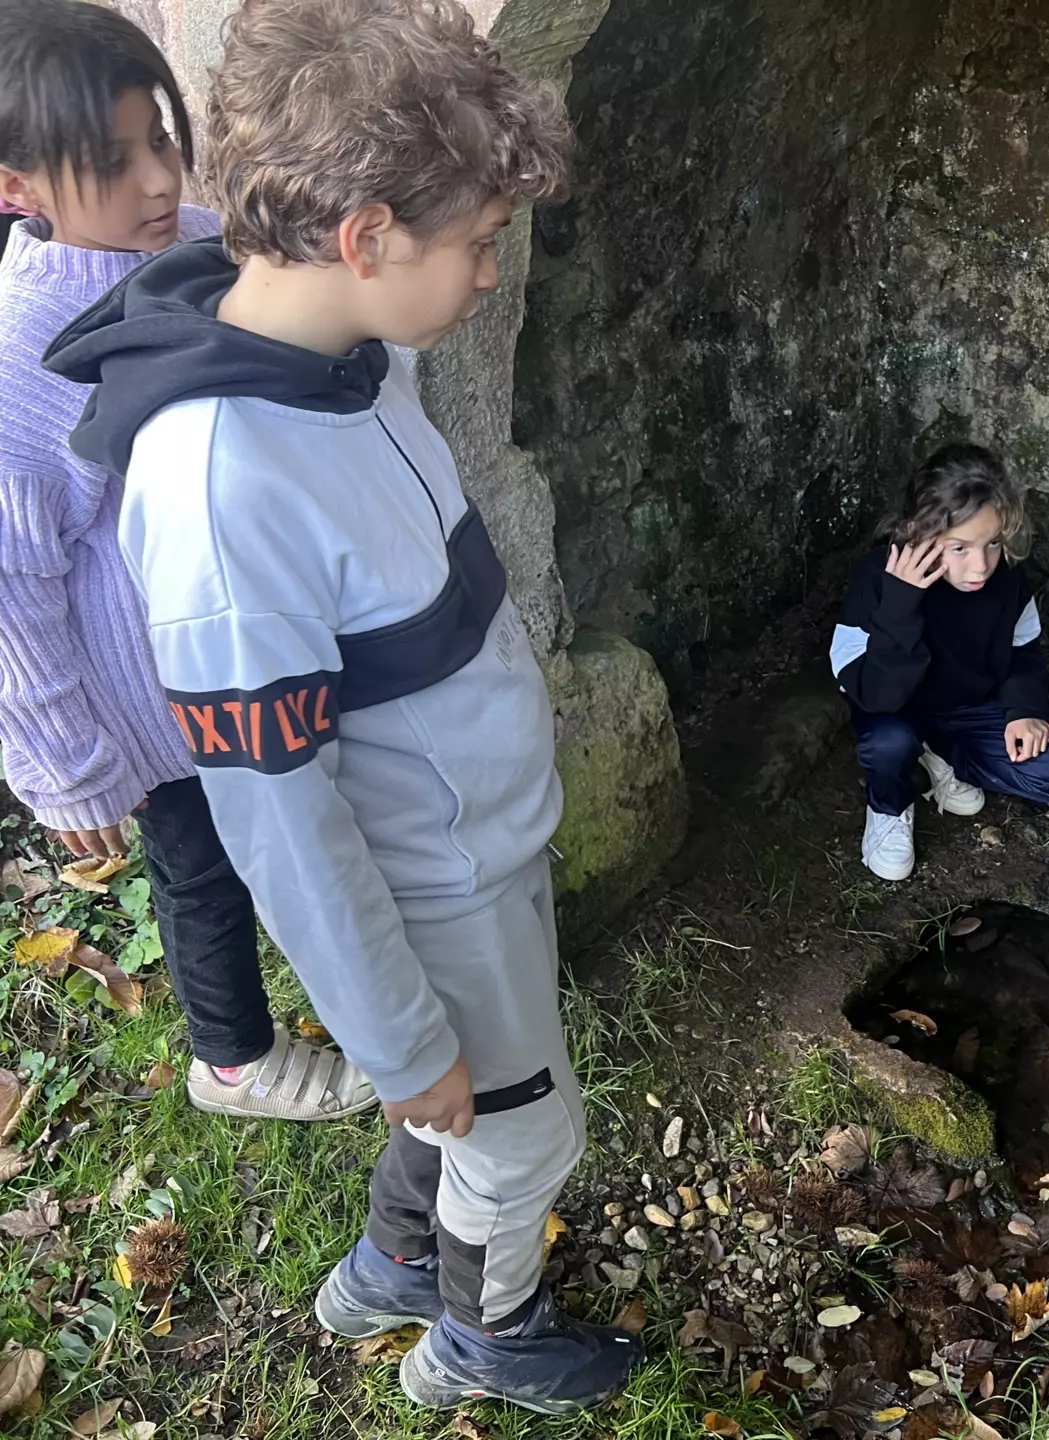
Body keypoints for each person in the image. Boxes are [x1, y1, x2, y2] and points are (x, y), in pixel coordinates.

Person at [42, 0, 643, 1413]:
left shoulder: (335, 342)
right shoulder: (223, 488)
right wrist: (394, 1036)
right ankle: (484, 1341)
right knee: (522, 1133)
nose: (490, 274)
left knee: (477, 1098)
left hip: (475, 832)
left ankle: (389, 1264)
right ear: (365, 239)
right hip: (431, 873)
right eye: (481, 243)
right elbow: (278, 814)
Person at [0, 0, 372, 1123]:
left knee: (305, 823)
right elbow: (13, 589)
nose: (160, 180)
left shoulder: (199, 240)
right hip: (156, 701)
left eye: (162, 138)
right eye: (114, 163)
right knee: (201, 869)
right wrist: (67, 767)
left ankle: (357, 986)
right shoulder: (24, 361)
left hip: (257, 632)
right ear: (17, 186)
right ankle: (233, 1056)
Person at [832, 443, 1049, 881]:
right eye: (959, 548)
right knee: (889, 744)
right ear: (919, 531)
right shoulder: (879, 578)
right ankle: (891, 804)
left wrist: (1025, 710)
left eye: (992, 543)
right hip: (896, 710)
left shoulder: (1005, 576)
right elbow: (872, 694)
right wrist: (901, 602)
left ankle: (943, 754)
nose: (981, 566)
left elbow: (1023, 651)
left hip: (971, 707)